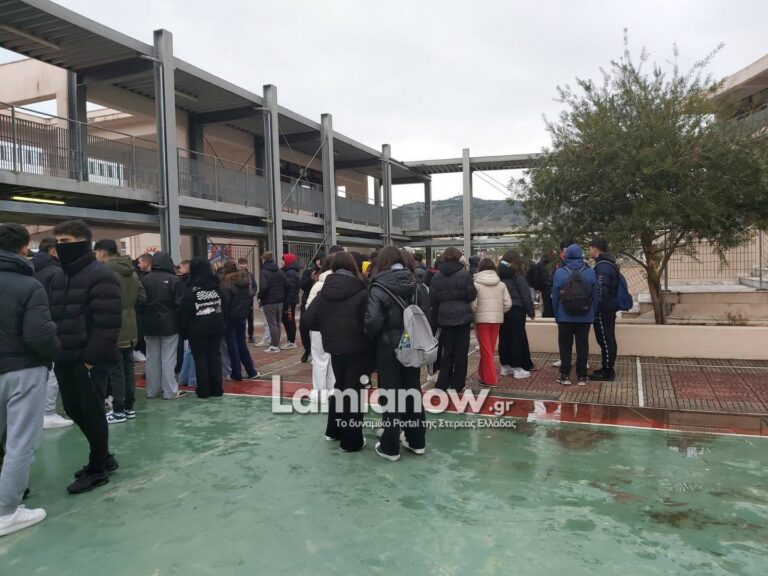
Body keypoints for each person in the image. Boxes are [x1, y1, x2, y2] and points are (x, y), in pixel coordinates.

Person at [48, 220, 122, 494]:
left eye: (65, 242)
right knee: (73, 408)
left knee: (92, 413)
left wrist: (89, 361)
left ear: (82, 241)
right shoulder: (59, 277)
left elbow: (108, 324)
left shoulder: (101, 275)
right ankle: (104, 457)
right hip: (65, 356)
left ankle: (98, 467)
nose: (60, 247)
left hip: (90, 360)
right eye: (58, 242)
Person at [0, 224, 60, 536]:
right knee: (20, 441)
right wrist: (55, 351)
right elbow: (38, 334)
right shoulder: (29, 285)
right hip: (24, 368)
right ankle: (6, 511)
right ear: (25, 248)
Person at [304, 252, 373, 452]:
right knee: (353, 391)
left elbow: (308, 320)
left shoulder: (324, 291)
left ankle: (333, 430)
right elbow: (369, 321)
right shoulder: (362, 290)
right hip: (358, 349)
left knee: (340, 387)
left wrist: (328, 328)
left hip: (334, 348)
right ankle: (351, 441)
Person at [364, 246, 427, 462]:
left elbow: (372, 321)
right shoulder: (416, 284)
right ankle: (416, 441)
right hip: (413, 344)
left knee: (391, 394)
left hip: (388, 347)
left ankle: (390, 446)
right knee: (412, 390)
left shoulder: (378, 286)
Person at [93, 240, 146, 423]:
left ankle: (118, 410)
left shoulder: (105, 272)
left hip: (113, 325)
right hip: (131, 326)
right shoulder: (132, 272)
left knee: (116, 370)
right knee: (128, 368)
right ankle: (129, 407)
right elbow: (142, 296)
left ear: (102, 252)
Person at [31, 237, 73, 430]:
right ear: (54, 251)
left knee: (39, 372)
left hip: (33, 327)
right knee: (54, 372)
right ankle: (48, 413)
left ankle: (39, 412)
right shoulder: (57, 272)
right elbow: (61, 303)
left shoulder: (31, 269)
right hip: (53, 327)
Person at [429, 247, 477, 392]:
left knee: (447, 351)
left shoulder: (436, 276)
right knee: (461, 352)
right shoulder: (465, 274)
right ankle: (458, 384)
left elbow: (433, 299)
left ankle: (443, 382)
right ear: (458, 257)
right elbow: (471, 295)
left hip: (445, 318)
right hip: (463, 318)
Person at [140, 252, 186, 399]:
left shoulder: (145, 279)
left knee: (152, 358)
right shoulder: (174, 279)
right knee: (168, 358)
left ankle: (152, 390)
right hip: (169, 324)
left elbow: (140, 302)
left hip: (149, 324)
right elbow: (179, 304)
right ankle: (170, 391)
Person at [180, 258, 228, 398]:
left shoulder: (191, 288)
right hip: (216, 326)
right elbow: (225, 304)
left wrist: (184, 330)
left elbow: (185, 310)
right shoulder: (216, 286)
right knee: (215, 356)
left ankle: (204, 389)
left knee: (200, 358)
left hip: (197, 328)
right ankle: (217, 389)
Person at [551, 244, 598, 386]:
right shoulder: (590, 272)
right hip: (585, 316)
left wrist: (557, 315)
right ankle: (582, 376)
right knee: (582, 345)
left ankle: (565, 375)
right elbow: (595, 296)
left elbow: (555, 297)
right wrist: (592, 313)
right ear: (581, 255)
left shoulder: (560, 272)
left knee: (565, 345)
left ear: (566, 256)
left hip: (564, 316)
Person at [471, 259, 511, 387]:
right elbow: (508, 303)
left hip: (481, 320)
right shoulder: (501, 284)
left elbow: (473, 304)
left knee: (486, 350)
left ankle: (490, 379)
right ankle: (483, 375)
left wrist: (475, 313)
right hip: (496, 320)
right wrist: (498, 311)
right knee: (489, 349)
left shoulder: (476, 284)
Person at [498, 251, 536, 379]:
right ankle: (517, 368)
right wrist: (531, 312)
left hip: (502, 309)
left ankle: (505, 366)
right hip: (516, 309)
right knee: (517, 338)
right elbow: (525, 294)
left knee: (504, 337)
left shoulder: (498, 274)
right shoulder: (517, 274)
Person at [222, 261, 259, 381]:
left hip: (229, 318)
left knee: (232, 346)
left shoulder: (227, 285)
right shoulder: (244, 282)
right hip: (242, 317)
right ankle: (251, 371)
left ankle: (236, 373)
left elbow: (225, 303)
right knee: (241, 344)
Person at [304, 255, 334, 403]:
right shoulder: (343, 283)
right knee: (333, 361)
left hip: (318, 328)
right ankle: (333, 390)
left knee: (319, 360)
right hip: (336, 328)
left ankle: (319, 394)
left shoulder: (318, 284)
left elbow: (309, 308)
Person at [589, 238, 620, 382]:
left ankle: (607, 371)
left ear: (595, 249)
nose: (589, 251)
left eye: (590, 248)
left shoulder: (603, 267)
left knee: (605, 340)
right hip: (608, 307)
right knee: (608, 338)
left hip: (604, 309)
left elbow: (601, 292)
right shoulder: (608, 264)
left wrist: (596, 309)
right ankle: (606, 367)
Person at [299, 250, 326, 363]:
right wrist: (311, 279)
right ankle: (307, 349)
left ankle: (319, 351)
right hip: (308, 302)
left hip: (321, 303)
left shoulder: (327, 272)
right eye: (317, 260)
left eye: (320, 260)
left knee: (318, 329)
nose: (318, 262)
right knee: (303, 327)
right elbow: (302, 285)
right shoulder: (309, 271)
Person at [258, 251, 287, 354]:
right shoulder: (279, 271)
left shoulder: (264, 272)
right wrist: (282, 294)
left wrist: (260, 296)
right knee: (277, 323)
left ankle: (274, 346)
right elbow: (288, 284)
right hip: (279, 301)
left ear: (263, 259)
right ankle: (276, 344)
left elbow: (264, 287)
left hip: (269, 301)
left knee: (272, 324)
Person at [280, 253, 301, 350]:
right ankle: (290, 340)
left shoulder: (291, 273)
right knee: (286, 319)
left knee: (289, 320)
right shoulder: (286, 271)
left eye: (283, 260)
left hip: (289, 301)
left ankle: (291, 341)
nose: (281, 262)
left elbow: (291, 289)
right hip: (287, 300)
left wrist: (287, 303)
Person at [236, 258, 258, 343]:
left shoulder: (250, 275)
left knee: (250, 319)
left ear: (247, 265)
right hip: (240, 300)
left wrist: (252, 293)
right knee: (242, 319)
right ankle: (242, 336)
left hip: (249, 300)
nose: (242, 265)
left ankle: (251, 335)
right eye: (240, 263)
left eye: (243, 263)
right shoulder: (236, 275)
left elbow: (254, 286)